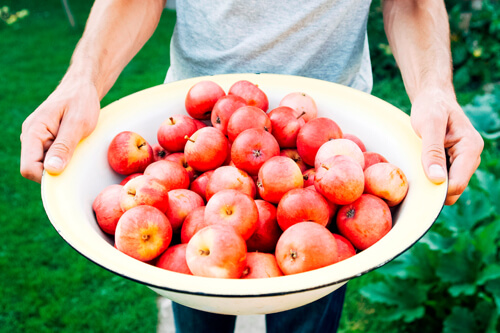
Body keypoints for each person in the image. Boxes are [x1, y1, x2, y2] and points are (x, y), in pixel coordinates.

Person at [20, 0, 484, 332]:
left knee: (307, 304)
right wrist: (82, 79)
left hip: (331, 130)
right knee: (195, 287)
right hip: (195, 128)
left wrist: (434, 89)